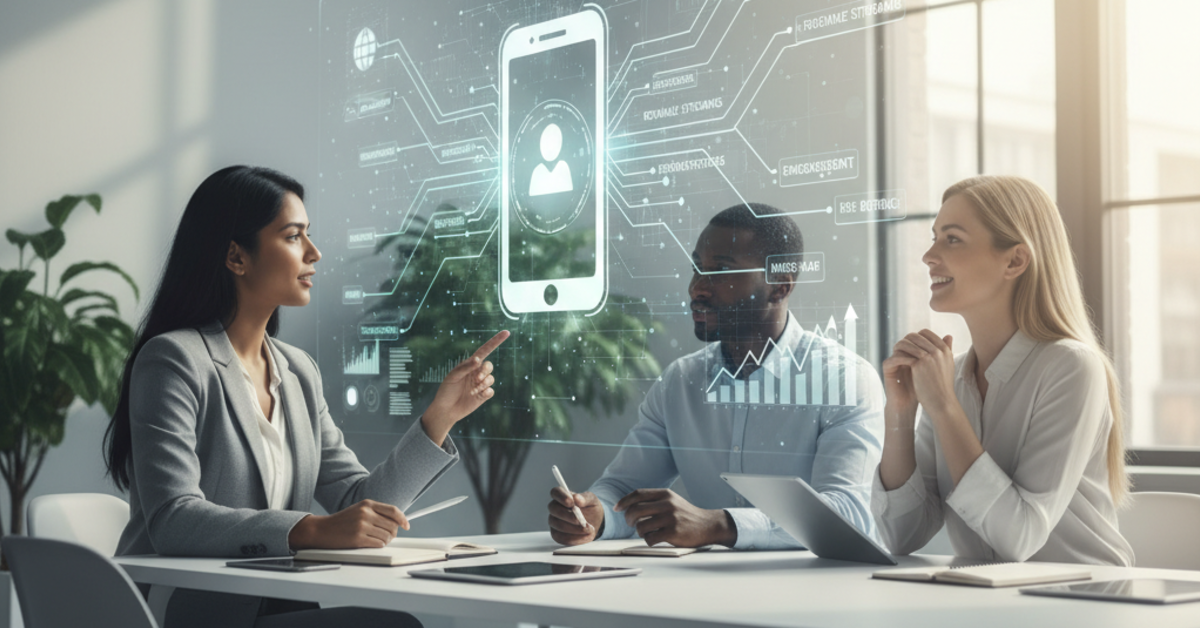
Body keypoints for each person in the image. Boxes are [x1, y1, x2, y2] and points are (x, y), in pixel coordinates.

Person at [103, 166, 510, 627]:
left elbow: (359, 500)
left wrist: (439, 419)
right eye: (294, 237)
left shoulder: (298, 371)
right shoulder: (174, 359)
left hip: (277, 603)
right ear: (236, 257)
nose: (314, 253)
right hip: (189, 608)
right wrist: (308, 529)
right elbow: (173, 519)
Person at [547, 203, 884, 550]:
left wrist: (719, 524)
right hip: (702, 593)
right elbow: (621, 489)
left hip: (812, 596)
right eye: (697, 268)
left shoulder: (844, 380)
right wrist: (596, 516)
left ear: (779, 286)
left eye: (721, 270)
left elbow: (848, 513)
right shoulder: (680, 382)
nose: (697, 288)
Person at [872, 175, 1134, 566]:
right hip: (990, 602)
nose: (929, 256)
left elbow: (1019, 539)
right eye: (934, 237)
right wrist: (901, 412)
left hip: (1085, 603)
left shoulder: (1071, 368)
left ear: (1014, 260)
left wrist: (944, 408)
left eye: (952, 238)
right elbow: (901, 535)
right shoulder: (951, 378)